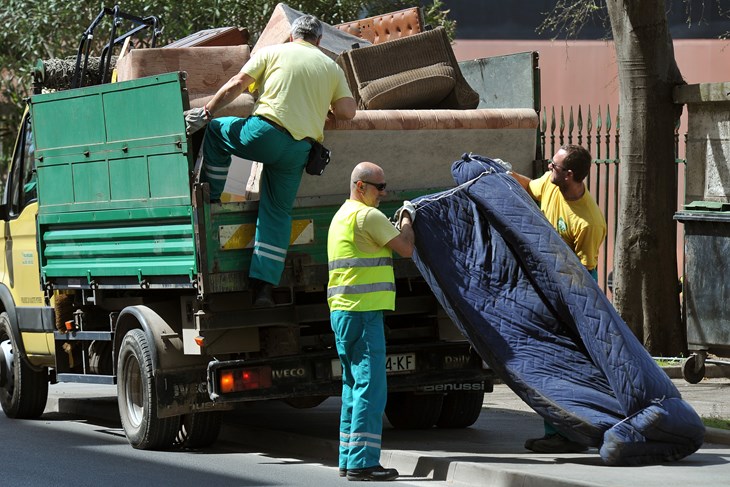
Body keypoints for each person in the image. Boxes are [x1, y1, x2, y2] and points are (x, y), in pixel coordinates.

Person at [184, 14, 356, 307]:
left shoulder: (272, 52)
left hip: (264, 135)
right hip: (299, 150)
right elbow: (347, 112)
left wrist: (207, 111)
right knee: (276, 212)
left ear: (292, 36)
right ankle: (263, 287)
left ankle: (210, 199)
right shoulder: (331, 67)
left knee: (214, 132)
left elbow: (238, 84)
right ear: (319, 40)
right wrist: (322, 109)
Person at [509, 144, 607, 453]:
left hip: (570, 290)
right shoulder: (551, 185)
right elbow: (529, 185)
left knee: (561, 360)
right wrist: (500, 172)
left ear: (570, 175)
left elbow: (583, 275)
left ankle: (567, 433)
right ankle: (558, 432)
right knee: (542, 359)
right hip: (544, 284)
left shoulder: (589, 222)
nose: (548, 168)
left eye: (554, 166)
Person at [327, 162, 415, 481]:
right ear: (361, 186)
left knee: (352, 387)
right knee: (370, 387)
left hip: (343, 312)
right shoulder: (367, 216)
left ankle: (349, 458)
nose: (384, 193)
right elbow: (405, 248)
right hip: (363, 313)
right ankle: (364, 463)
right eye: (380, 187)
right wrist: (406, 218)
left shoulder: (341, 216)